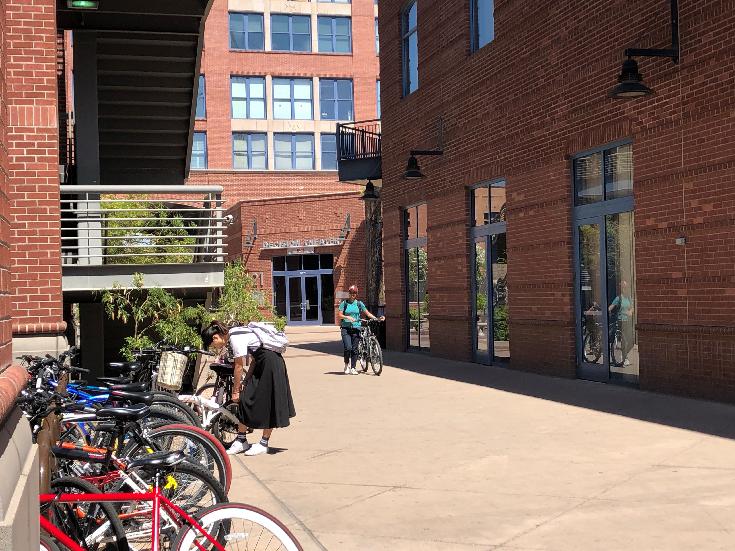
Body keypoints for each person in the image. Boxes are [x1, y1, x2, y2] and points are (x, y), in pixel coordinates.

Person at [201, 320, 295, 455]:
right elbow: (254, 359)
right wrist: (246, 380)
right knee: (245, 398)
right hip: (262, 363)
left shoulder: (234, 337)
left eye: (213, 345)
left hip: (271, 365)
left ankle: (263, 443)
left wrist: (235, 391)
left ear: (216, 337)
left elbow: (239, 366)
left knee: (269, 401)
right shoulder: (235, 334)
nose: (215, 348)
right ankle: (241, 440)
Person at [337, 285, 384, 375]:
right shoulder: (344, 303)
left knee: (354, 349)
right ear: (348, 293)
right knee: (348, 348)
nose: (352, 294)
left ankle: (353, 367)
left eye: (354, 293)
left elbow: (367, 313)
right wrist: (347, 317)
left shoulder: (359, 304)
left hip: (356, 328)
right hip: (346, 328)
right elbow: (339, 315)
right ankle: (347, 365)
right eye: (351, 292)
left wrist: (377, 318)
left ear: (356, 294)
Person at [608, 280, 635, 366]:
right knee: (625, 341)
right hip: (621, 321)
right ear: (622, 289)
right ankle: (625, 358)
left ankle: (624, 355)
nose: (625, 289)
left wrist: (630, 311)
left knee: (631, 341)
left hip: (628, 321)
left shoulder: (629, 298)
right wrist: (607, 310)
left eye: (626, 287)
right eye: (623, 287)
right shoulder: (618, 298)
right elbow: (610, 307)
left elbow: (632, 307)